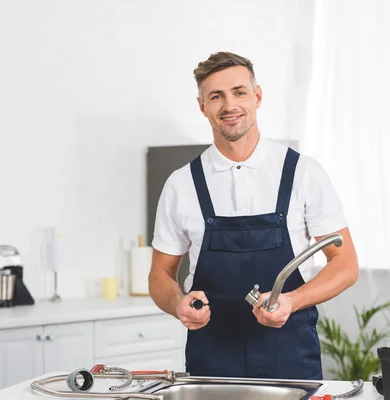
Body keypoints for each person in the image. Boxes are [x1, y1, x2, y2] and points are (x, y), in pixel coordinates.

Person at [148, 51, 359, 380]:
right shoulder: (182, 184)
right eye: (216, 96)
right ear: (202, 106)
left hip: (290, 358)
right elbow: (160, 274)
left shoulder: (303, 173)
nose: (229, 106)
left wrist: (290, 300)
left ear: (257, 96)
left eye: (239, 92)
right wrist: (177, 303)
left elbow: (345, 265)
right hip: (212, 363)